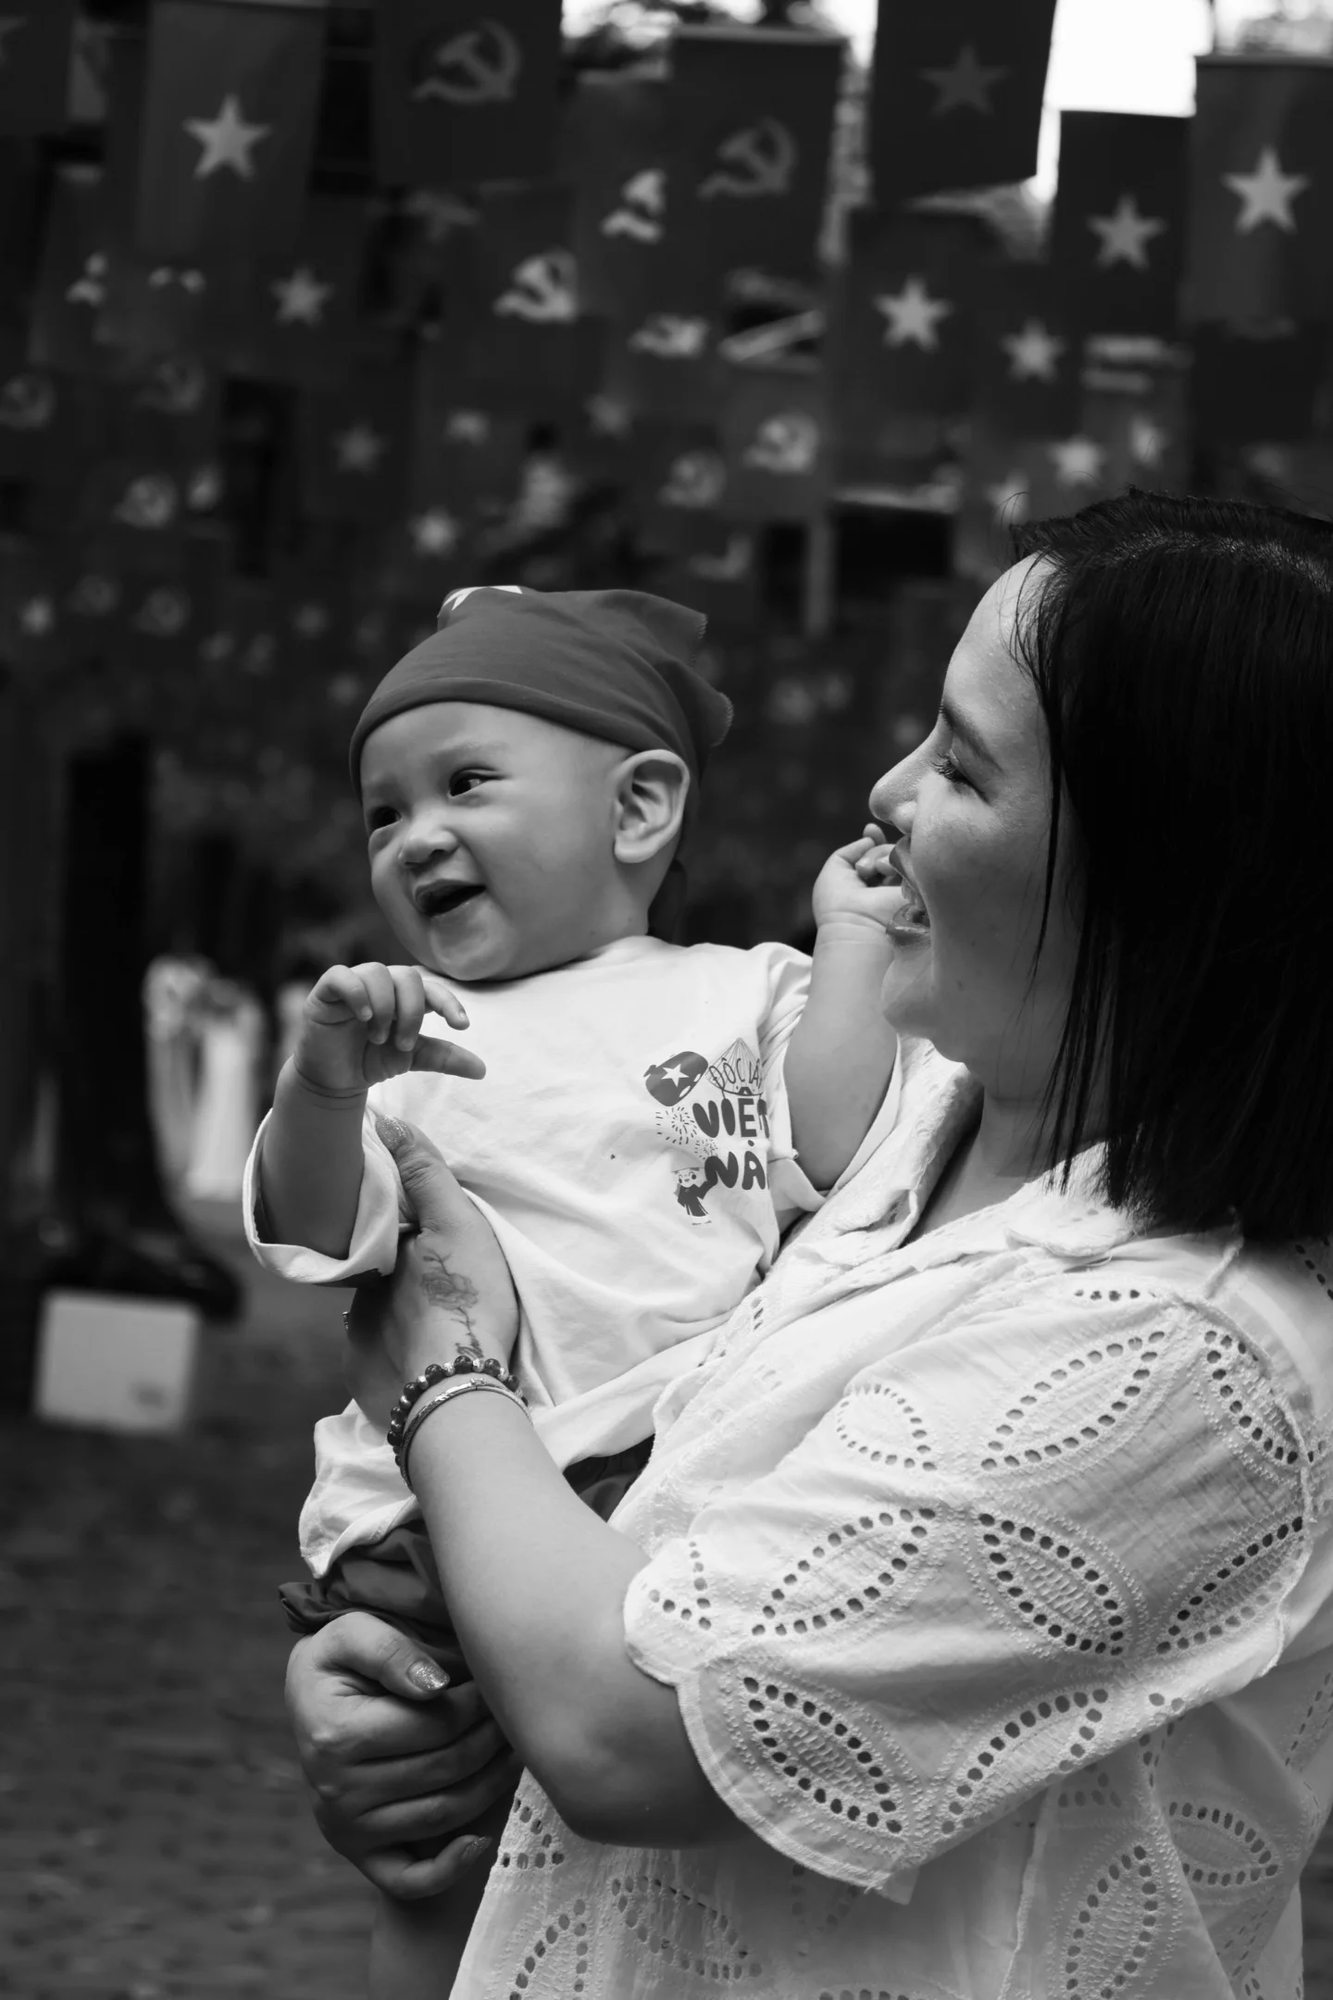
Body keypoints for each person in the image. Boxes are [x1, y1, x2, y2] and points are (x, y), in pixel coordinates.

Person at [285, 492, 1333, 1999]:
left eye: (961, 764)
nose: (887, 790)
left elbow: (623, 1729)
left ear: (1161, 875)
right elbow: (632, 1563)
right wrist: (406, 1707)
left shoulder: (1186, 1349)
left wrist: (442, 1378)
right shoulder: (919, 1120)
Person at [247, 585, 902, 1991]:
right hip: (444, 1519)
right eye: (382, 813)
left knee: (640, 1850)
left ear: (640, 807)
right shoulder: (417, 1044)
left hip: (676, 1488)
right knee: (439, 1849)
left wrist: (850, 939)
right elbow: (311, 1235)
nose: (415, 836)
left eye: (464, 785)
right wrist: (323, 1087)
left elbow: (839, 1143)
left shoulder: (743, 991)